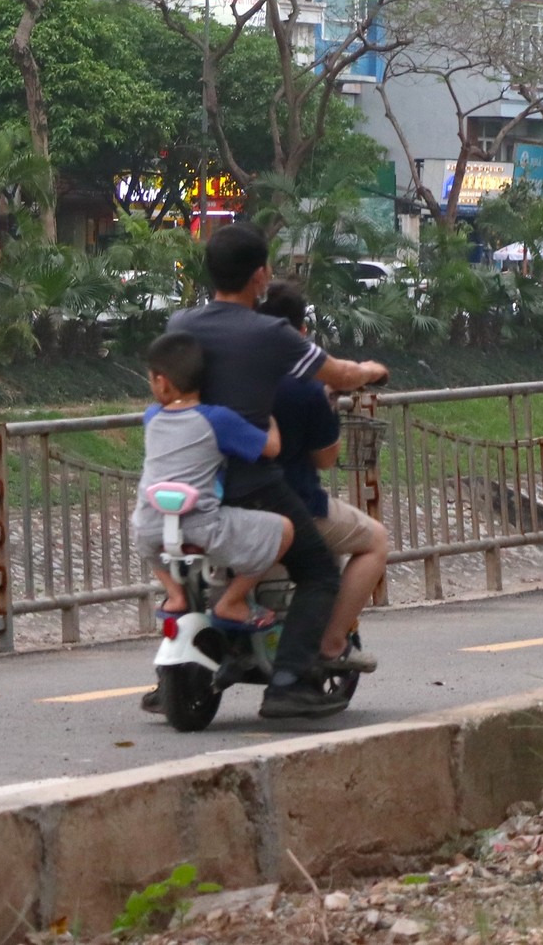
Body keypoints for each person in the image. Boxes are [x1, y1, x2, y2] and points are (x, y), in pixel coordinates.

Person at [167, 222, 388, 720]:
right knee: (318, 570)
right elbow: (343, 376)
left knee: (181, 567)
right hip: (256, 485)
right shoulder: (272, 335)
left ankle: (176, 672)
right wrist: (372, 370)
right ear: (260, 275)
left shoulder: (181, 324)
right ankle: (290, 679)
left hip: (194, 483)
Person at [257, 280, 389, 671]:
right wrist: (329, 405)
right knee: (376, 540)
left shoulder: (233, 376)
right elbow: (326, 459)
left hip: (225, 498)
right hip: (294, 501)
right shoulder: (306, 389)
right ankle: (331, 645)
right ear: (300, 334)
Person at [130, 331, 291, 630]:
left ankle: (175, 595)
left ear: (162, 382)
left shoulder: (152, 416)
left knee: (146, 542)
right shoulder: (218, 420)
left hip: (148, 526)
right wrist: (269, 416)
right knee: (284, 530)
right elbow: (272, 448)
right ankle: (232, 601)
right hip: (203, 528)